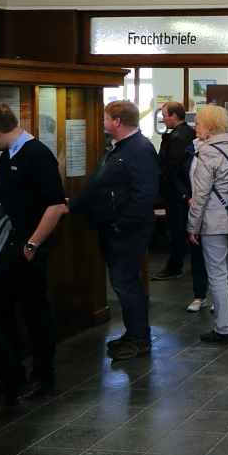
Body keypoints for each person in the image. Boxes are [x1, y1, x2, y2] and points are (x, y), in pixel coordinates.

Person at [0, 103, 66, 405]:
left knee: (35, 314)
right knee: (1, 310)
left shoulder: (37, 155)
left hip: (27, 247)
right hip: (6, 246)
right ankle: (11, 375)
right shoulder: (9, 154)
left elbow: (56, 205)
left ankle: (43, 376)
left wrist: (32, 244)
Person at [67, 100, 159, 361]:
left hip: (127, 230)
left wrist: (123, 223)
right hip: (114, 227)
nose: (103, 123)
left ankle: (139, 338)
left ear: (117, 121)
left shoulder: (139, 149)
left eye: (106, 118)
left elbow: (145, 193)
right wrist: (74, 204)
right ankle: (134, 334)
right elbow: (104, 187)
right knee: (125, 282)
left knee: (124, 282)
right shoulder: (119, 147)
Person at [187, 105, 228, 343]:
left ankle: (224, 328)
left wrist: (192, 225)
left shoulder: (207, 153)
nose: (196, 128)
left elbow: (201, 193)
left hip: (214, 220)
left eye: (199, 124)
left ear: (210, 127)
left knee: (217, 274)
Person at [151, 102, 198, 284]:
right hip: (183, 189)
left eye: (164, 115)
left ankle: (174, 267)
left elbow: (172, 166)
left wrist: (164, 183)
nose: (162, 119)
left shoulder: (177, 137)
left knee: (176, 229)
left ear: (174, 116)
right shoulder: (187, 133)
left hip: (175, 191)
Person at [174, 129, 209, 312]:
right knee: (197, 253)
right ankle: (199, 295)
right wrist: (186, 197)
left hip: (214, 210)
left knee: (218, 256)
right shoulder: (190, 150)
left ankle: (221, 298)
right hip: (192, 206)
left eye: (200, 124)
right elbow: (178, 177)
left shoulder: (218, 150)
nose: (196, 128)